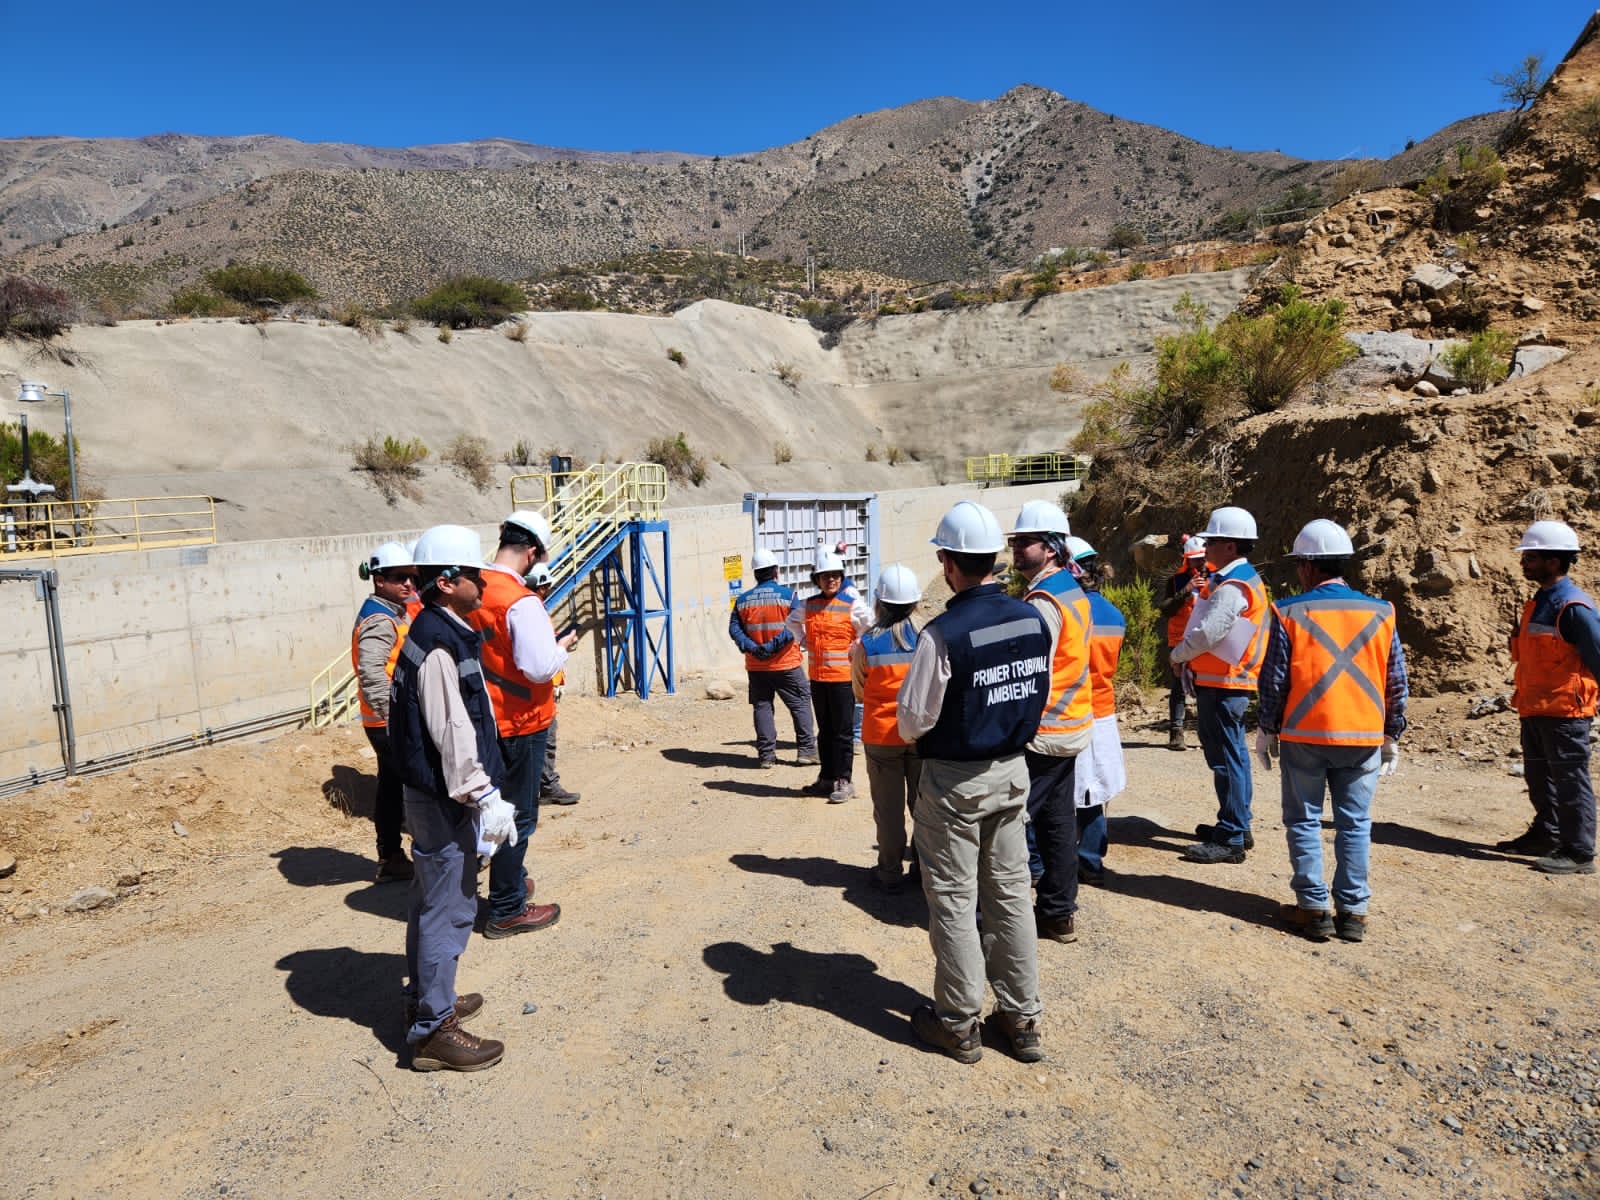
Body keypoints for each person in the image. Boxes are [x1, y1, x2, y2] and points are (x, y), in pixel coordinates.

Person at [898, 500, 1050, 1065]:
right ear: (993, 558)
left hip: (955, 783)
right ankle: (1022, 1017)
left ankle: (958, 1024)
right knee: (1011, 896)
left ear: (948, 562)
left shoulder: (943, 634)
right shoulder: (1033, 616)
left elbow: (913, 720)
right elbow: (1036, 689)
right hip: (1013, 773)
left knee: (956, 903)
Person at [389, 523, 519, 1071]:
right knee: (449, 908)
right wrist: (485, 796)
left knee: (429, 902)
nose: (481, 584)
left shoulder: (437, 629)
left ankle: (426, 998)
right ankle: (433, 1029)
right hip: (446, 799)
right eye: (471, 575)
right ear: (446, 581)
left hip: (431, 795)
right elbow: (452, 732)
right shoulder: (439, 645)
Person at [1256, 519, 1408, 942]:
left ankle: (1314, 909)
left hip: (1305, 734)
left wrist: (1267, 728)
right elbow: (1396, 678)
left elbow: (1274, 680)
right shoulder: (1381, 611)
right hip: (1363, 735)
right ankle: (1354, 913)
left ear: (1307, 566)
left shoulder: (1288, 612)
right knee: (1355, 824)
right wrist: (1392, 731)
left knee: (1303, 821)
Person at [468, 511, 576, 938]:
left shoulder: (475, 587)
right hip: (522, 722)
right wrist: (561, 649)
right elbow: (537, 668)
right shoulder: (520, 600)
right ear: (532, 552)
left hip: (485, 719)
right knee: (518, 818)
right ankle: (508, 908)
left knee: (491, 810)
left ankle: (508, 882)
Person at [1009, 501, 1093, 943]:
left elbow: (1030, 672)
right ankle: (1058, 914)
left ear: (1053, 547)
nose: (1016, 549)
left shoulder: (1043, 601)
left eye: (1025, 542)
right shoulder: (1070, 591)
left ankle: (1000, 917)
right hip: (1072, 725)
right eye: (1015, 542)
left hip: (1044, 732)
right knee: (1059, 824)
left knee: (1011, 816)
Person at [1499, 520, 1599, 875]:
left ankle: (1579, 852)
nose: (1524, 562)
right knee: (1539, 776)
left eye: (1532, 556)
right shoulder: (1540, 602)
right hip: (1535, 705)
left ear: (1554, 562)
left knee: (1571, 780)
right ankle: (1548, 833)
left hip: (1565, 711)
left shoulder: (1573, 606)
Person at [1170, 505, 1269, 864]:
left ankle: (1231, 836)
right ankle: (1237, 825)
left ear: (1230, 546)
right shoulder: (1235, 579)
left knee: (1227, 758)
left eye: (1212, 540)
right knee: (1231, 756)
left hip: (1226, 683)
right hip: (1225, 681)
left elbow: (1211, 632)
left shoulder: (1234, 585)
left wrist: (1180, 654)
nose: (1206, 546)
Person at [850, 562, 924, 891]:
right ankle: (923, 870)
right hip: (922, 735)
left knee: (888, 810)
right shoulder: (928, 638)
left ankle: (890, 872)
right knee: (924, 806)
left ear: (879, 602)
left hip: (881, 736)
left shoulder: (868, 644)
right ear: (915, 602)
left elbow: (859, 690)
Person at [352, 540, 418, 883]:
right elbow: (372, 672)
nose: (408, 583)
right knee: (415, 785)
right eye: (399, 578)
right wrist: (395, 721)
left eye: (412, 577)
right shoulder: (380, 619)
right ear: (379, 580)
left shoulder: (391, 610)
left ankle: (391, 856)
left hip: (382, 717)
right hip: (386, 719)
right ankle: (418, 853)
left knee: (391, 787)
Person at [786, 546, 871, 802]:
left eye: (835, 575)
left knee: (843, 732)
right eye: (825, 576)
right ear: (817, 579)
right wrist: (803, 641)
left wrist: (858, 644)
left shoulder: (851, 604)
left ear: (841, 576)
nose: (831, 579)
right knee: (825, 730)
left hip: (843, 679)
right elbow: (791, 622)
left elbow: (871, 623)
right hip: (819, 679)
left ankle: (844, 780)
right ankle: (826, 778)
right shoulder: (809, 605)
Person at [1065, 537, 1126, 887]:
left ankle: (1040, 859)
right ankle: (1091, 859)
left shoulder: (1069, 611)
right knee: (1095, 790)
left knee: (1057, 788)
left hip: (1069, 710)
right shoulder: (1114, 615)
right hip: (1102, 710)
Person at [728, 547, 818, 769]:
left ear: (756, 573)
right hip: (786, 664)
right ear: (776, 571)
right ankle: (806, 751)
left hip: (756, 666)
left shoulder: (742, 601)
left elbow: (734, 629)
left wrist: (753, 647)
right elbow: (793, 627)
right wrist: (771, 647)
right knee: (800, 703)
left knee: (762, 706)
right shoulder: (789, 596)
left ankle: (766, 756)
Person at [526, 562, 581, 806]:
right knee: (544, 740)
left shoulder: (534, 610)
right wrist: (565, 645)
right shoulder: (530, 611)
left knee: (544, 740)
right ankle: (545, 786)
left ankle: (544, 785)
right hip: (536, 690)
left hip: (544, 686)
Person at [1158, 535, 1208, 751]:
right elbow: (1165, 609)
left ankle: (1207, 733)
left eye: (1201, 559)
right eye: (1194, 559)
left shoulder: (1215, 577)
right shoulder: (1176, 581)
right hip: (1180, 639)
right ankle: (1176, 733)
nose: (1199, 563)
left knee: (1206, 687)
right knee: (1178, 687)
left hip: (1204, 639)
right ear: (1186, 559)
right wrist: (1185, 591)